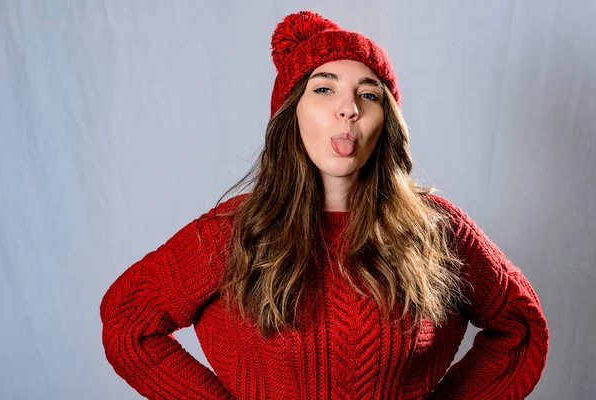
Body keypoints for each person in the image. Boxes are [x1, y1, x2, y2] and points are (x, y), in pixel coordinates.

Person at [100, 10, 549, 399]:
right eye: (324, 89)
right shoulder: (235, 230)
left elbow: (519, 327)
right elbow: (128, 323)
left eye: (369, 94)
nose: (348, 108)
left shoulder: (435, 229)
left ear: (385, 122)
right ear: (291, 111)